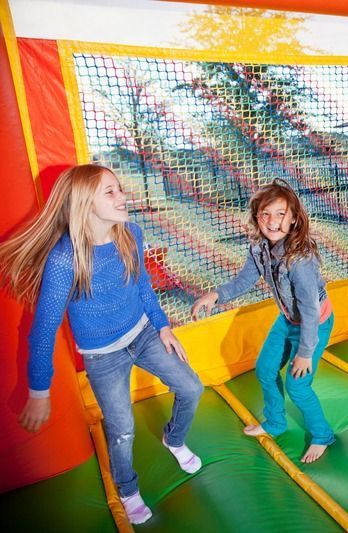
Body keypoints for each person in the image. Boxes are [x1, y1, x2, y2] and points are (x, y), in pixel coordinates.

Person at [0, 164, 203, 524]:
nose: (122, 196)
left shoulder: (130, 234)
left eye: (120, 189)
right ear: (84, 203)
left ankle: (174, 439)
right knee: (121, 427)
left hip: (142, 332)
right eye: (110, 191)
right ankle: (127, 488)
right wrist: (39, 390)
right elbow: (44, 329)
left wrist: (163, 327)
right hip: (103, 356)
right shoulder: (66, 259)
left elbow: (142, 286)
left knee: (191, 386)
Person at [192, 180, 335, 463]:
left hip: (313, 324)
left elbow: (309, 310)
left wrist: (305, 354)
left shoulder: (300, 260)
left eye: (280, 213)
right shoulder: (259, 248)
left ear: (293, 217)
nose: (273, 221)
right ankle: (275, 422)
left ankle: (322, 435)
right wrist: (215, 295)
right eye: (265, 214)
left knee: (297, 386)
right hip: (287, 319)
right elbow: (244, 281)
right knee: (265, 369)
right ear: (257, 217)